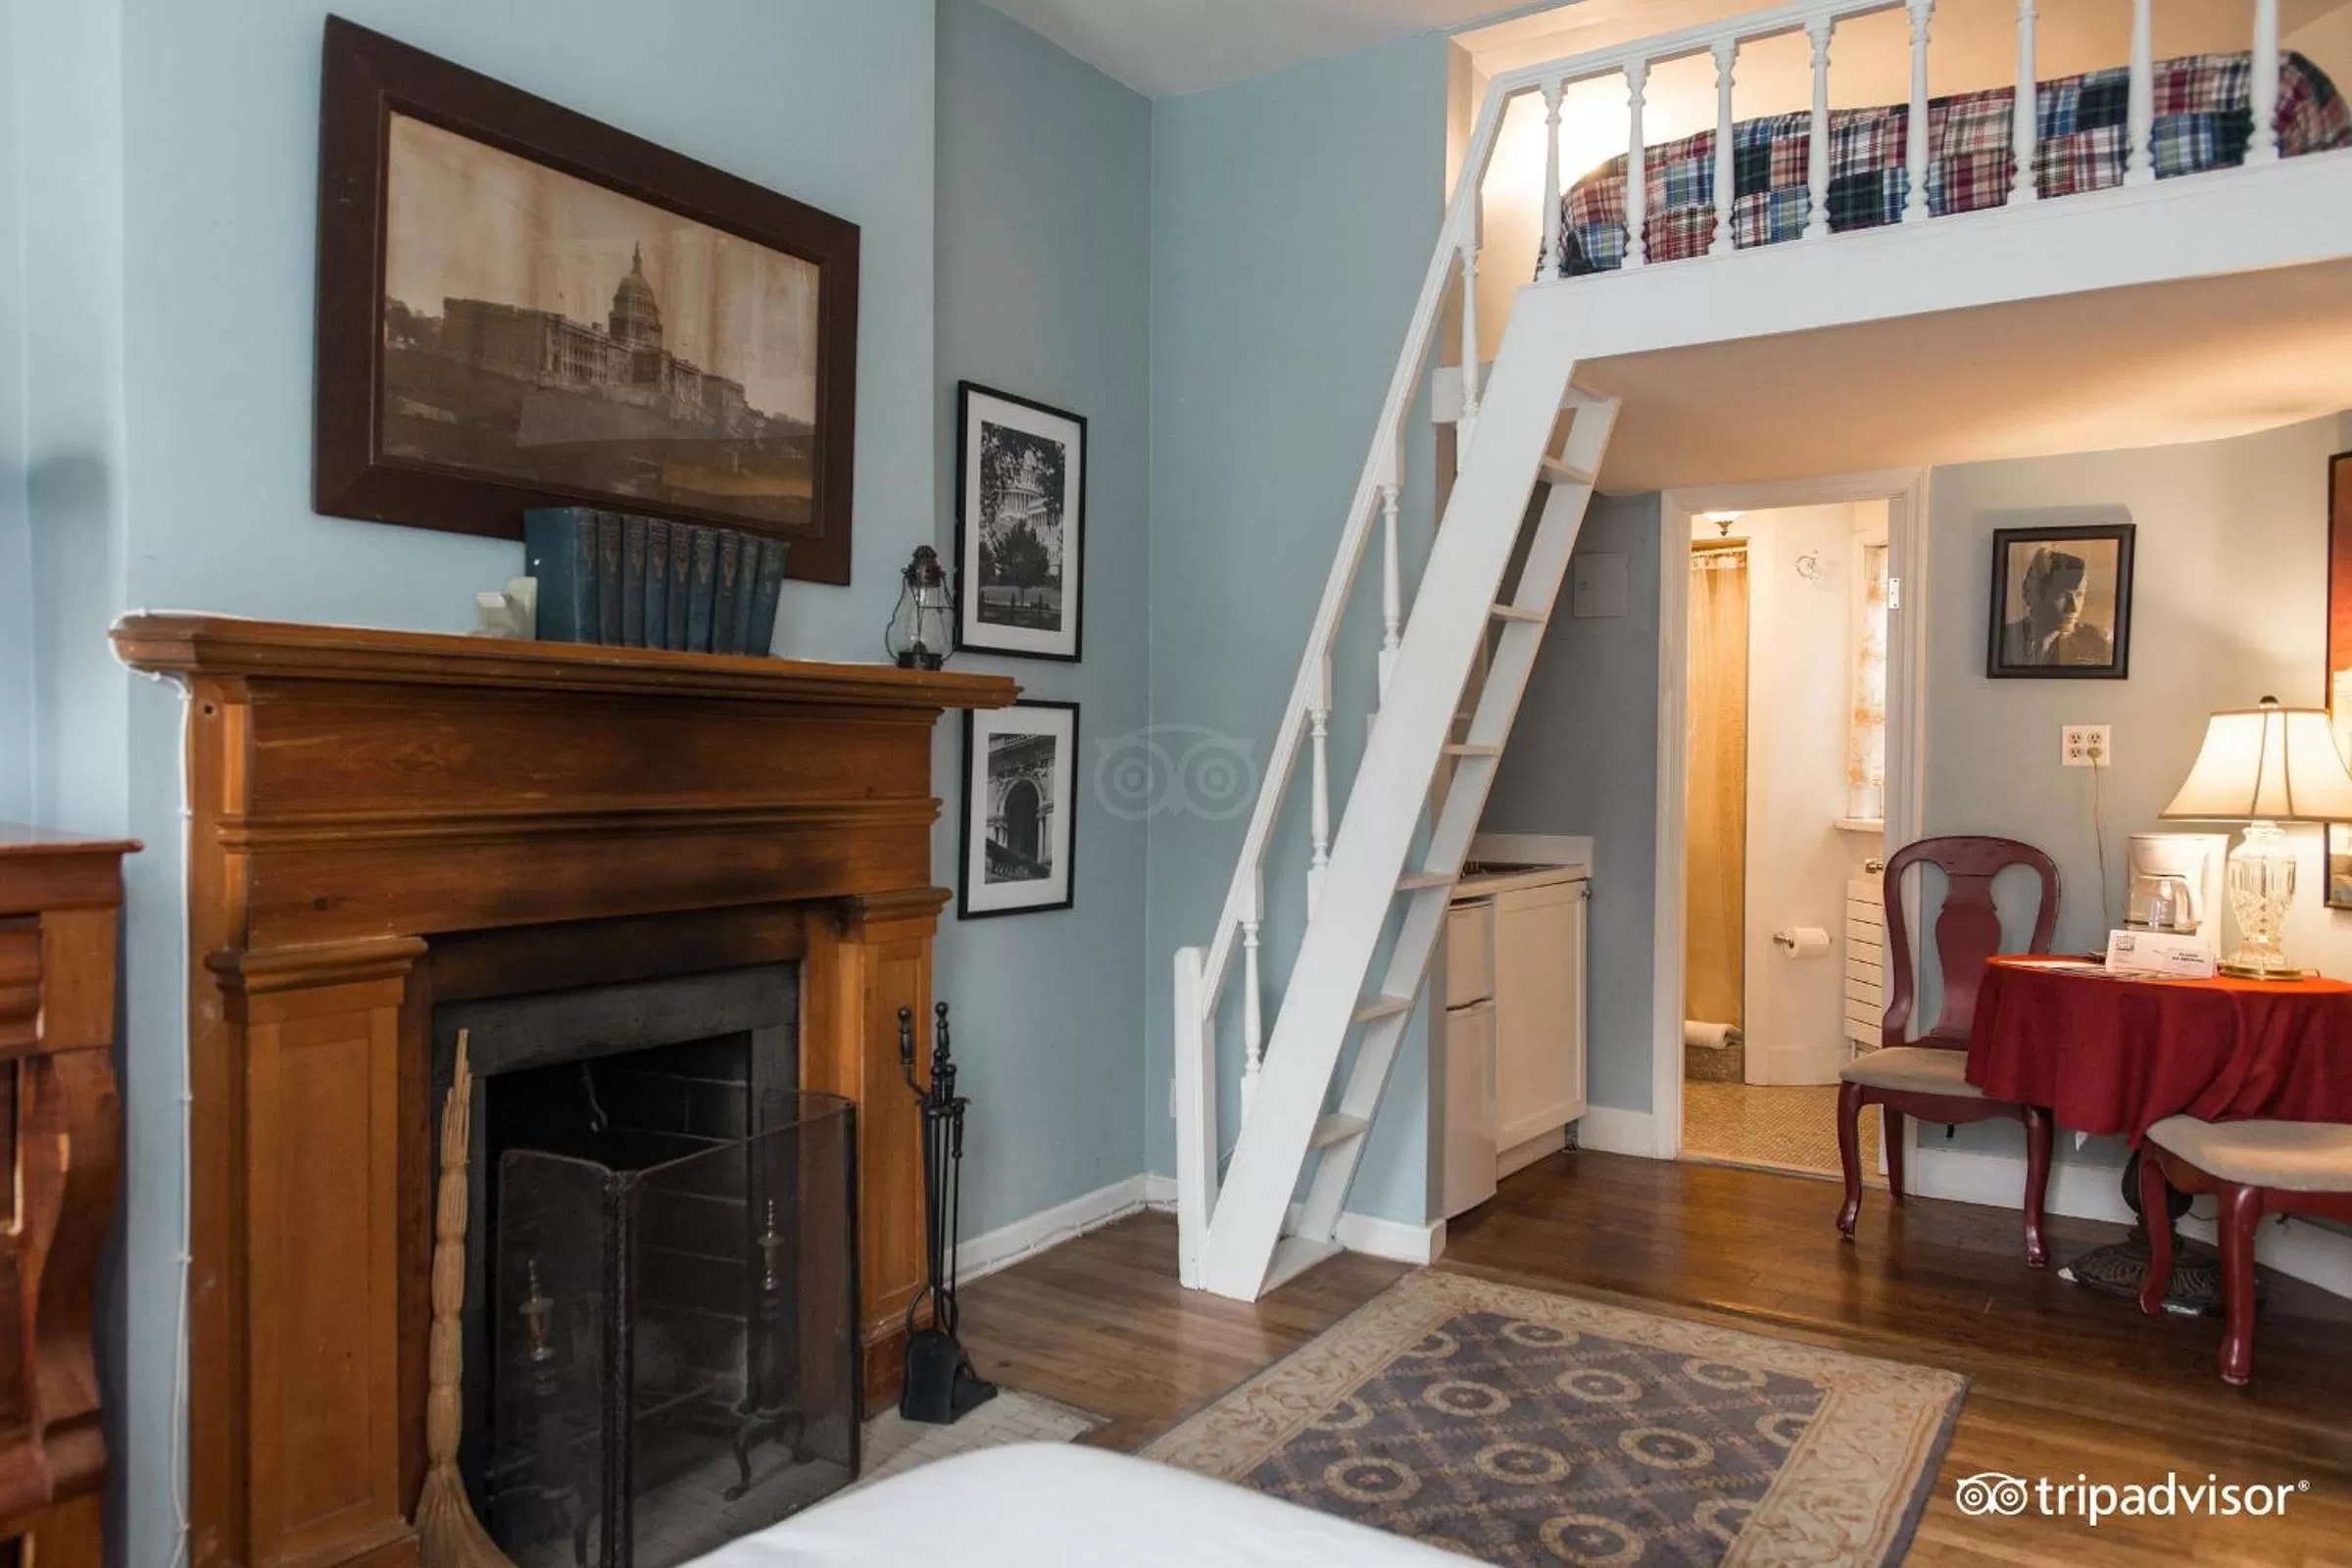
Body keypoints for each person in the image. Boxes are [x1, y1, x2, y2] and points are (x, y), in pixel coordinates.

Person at [2000, 547, 2113, 667]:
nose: (2073, 608)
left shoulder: (2097, 644)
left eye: (2079, 595)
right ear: (2036, 595)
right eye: (2063, 595)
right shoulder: (2005, 639)